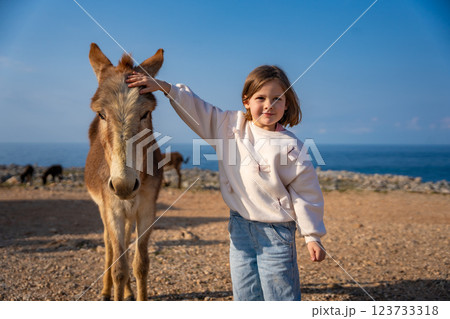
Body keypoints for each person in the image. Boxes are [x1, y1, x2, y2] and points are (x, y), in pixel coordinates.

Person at [126, 65, 326, 301]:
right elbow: (199, 110)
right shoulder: (230, 126)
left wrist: (312, 235)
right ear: (247, 101)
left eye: (277, 98)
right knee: (245, 293)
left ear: (287, 104)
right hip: (239, 228)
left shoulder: (292, 147)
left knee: (279, 295)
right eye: (260, 98)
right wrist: (166, 88)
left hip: (277, 233)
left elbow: (306, 193)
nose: (269, 105)